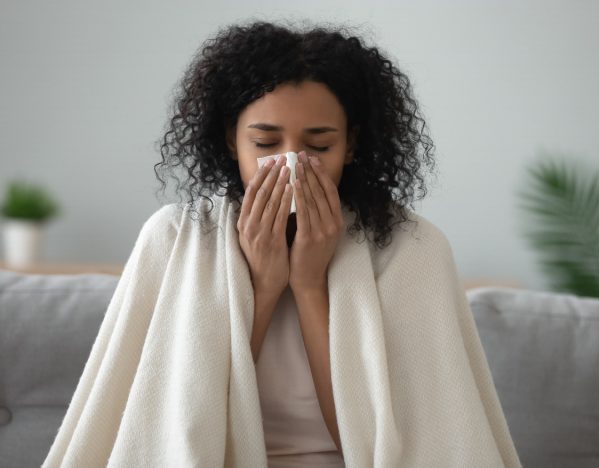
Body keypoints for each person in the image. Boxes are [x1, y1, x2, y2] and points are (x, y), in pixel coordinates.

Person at [43, 19, 522, 468]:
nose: (291, 164)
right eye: (265, 143)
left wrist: (310, 285)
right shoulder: (174, 238)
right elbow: (182, 432)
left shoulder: (411, 248)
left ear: (351, 146)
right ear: (232, 141)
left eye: (318, 147)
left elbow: (384, 449)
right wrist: (264, 286)